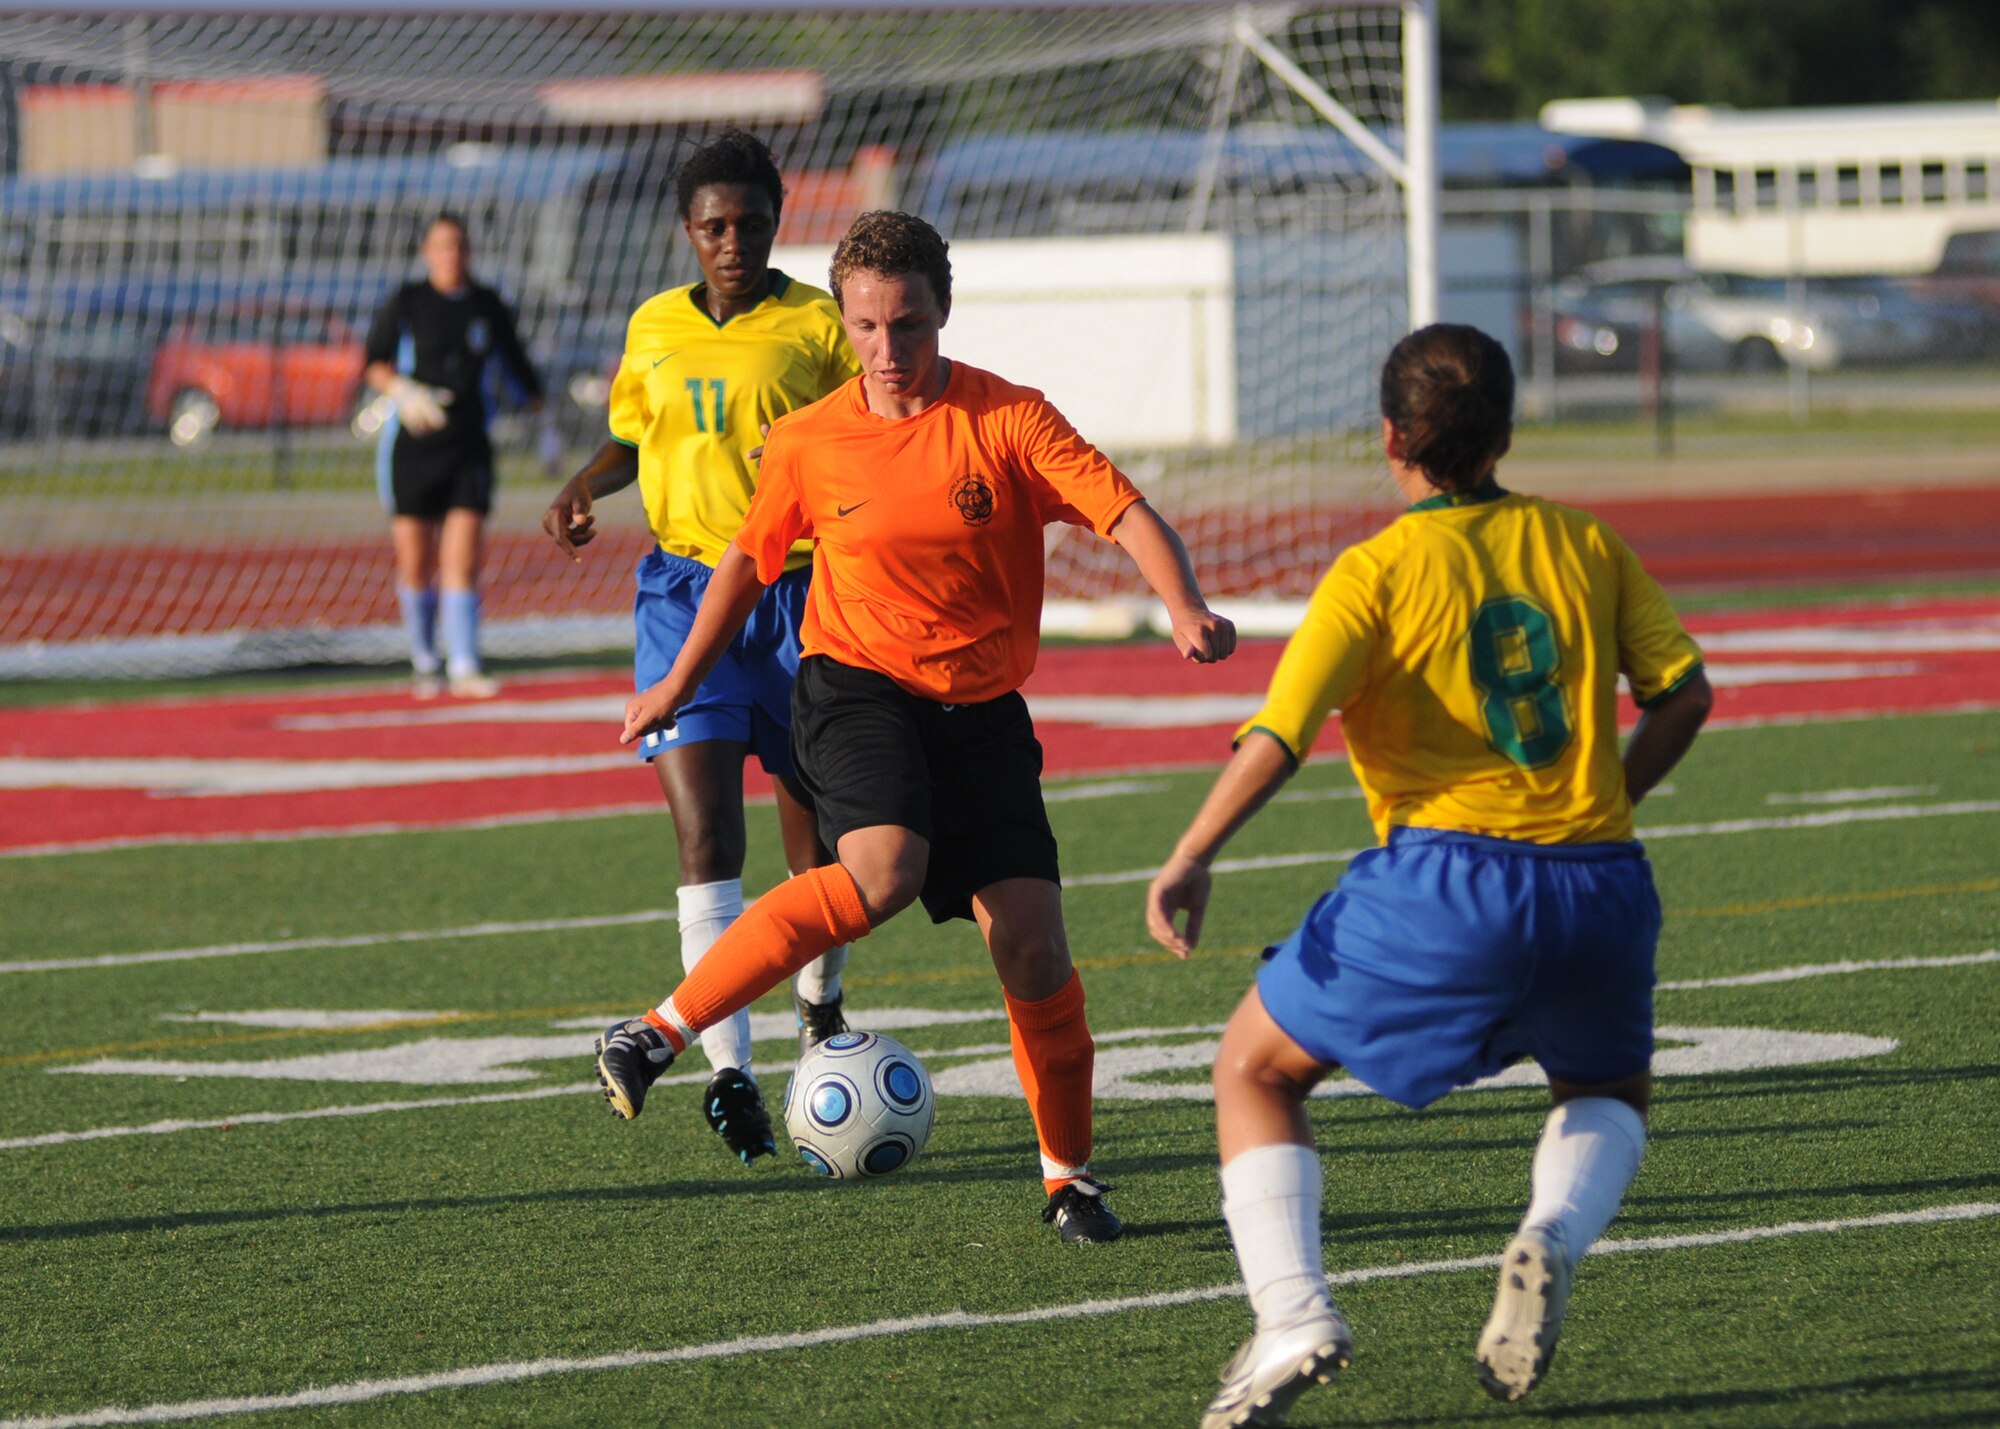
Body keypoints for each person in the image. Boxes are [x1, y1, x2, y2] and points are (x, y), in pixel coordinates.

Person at [591, 210, 1238, 1243]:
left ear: (943, 313)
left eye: (910, 327)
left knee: (1031, 947)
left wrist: (1183, 603)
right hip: (856, 688)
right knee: (884, 868)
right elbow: (750, 562)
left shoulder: (1010, 419)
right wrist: (675, 680)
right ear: (842, 322)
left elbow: (1122, 511)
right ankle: (660, 1031)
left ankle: (1067, 1180)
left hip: (981, 713)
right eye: (865, 328)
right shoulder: (808, 439)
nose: (888, 352)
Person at [1145, 324, 1713, 1426]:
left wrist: (1190, 852)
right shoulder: (1584, 543)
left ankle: (1294, 1313)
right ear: (1505, 430)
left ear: (1391, 437)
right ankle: (1547, 1233)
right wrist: (1612, 798)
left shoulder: (1376, 569)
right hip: (1600, 879)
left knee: (1254, 1068)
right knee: (1604, 1091)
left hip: (1448, 884)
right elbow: (1683, 691)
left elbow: (1276, 733)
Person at [542, 131, 862, 1167]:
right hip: (683, 594)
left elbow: (868, 432)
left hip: (800, 594)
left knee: (821, 844)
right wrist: (587, 483)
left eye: (751, 223)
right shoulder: (652, 325)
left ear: (776, 222)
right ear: (688, 231)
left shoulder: (819, 323)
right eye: (713, 225)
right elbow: (634, 438)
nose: (732, 241)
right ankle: (730, 1072)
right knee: (703, 839)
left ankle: (820, 1003)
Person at [365, 211, 561, 699]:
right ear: (426, 253)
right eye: (441, 246)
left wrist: (545, 427)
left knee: (464, 556)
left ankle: (465, 660)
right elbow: (374, 363)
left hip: (468, 445)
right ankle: (424, 655)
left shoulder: (487, 305)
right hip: (413, 447)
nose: (451, 255)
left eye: (458, 246)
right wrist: (406, 394)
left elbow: (517, 366)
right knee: (415, 560)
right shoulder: (407, 301)